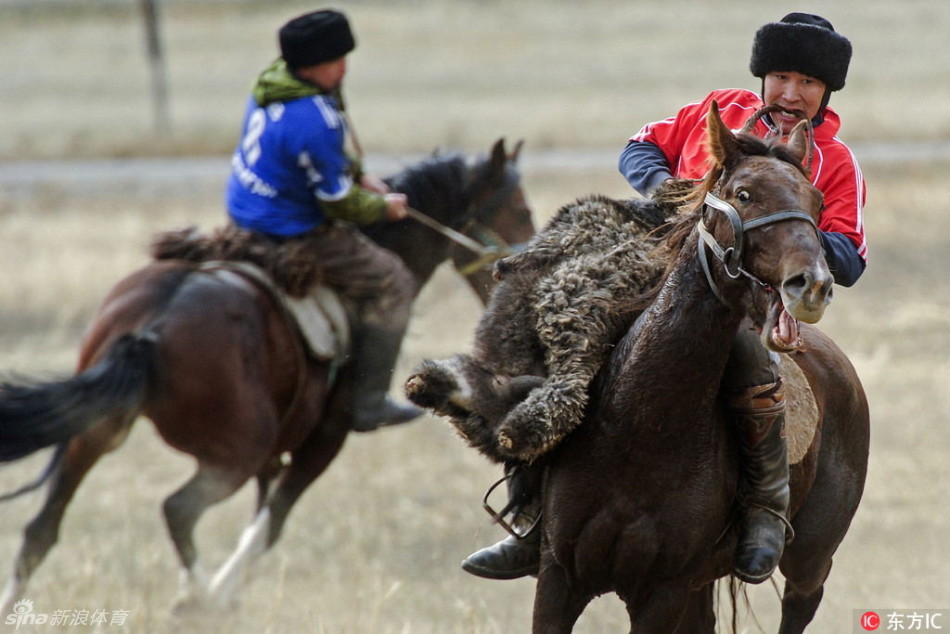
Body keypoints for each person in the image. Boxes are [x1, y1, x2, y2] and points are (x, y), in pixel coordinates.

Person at [462, 12, 866, 585]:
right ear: (762, 75)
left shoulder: (835, 161)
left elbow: (849, 256)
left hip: (741, 303)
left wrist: (786, 229)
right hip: (648, 274)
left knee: (754, 375)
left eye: (808, 83)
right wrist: (675, 195)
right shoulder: (718, 111)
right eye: (781, 76)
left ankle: (763, 515)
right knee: (557, 343)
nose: (791, 93)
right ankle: (531, 517)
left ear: (827, 92)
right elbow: (640, 146)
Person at [226, 9, 422, 432]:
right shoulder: (318, 120)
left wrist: (355, 170)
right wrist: (383, 208)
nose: (345, 68)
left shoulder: (272, 84)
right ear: (314, 65)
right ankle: (369, 403)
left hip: (242, 212)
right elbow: (337, 204)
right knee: (394, 283)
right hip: (290, 228)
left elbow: (304, 155)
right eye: (338, 60)